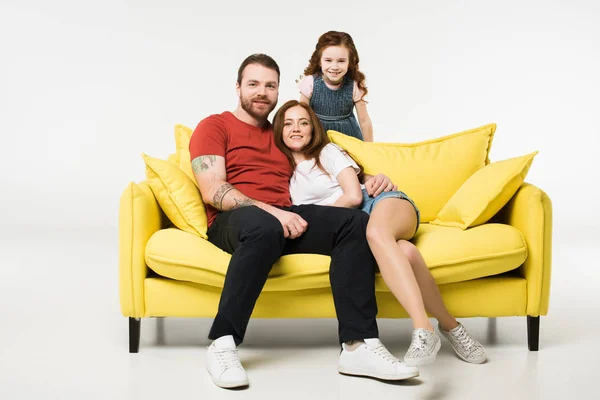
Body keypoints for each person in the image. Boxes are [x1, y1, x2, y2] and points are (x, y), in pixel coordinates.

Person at [189, 54, 419, 389]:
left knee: (352, 223)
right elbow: (213, 190)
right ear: (238, 87)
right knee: (264, 227)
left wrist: (369, 178)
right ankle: (223, 342)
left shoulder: (282, 131)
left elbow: (320, 159)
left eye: (270, 86)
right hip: (237, 219)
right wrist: (275, 212)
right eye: (253, 84)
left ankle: (357, 345)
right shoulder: (215, 125)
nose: (261, 92)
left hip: (288, 218)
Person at [273, 99, 487, 367]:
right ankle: (452, 327)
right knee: (406, 253)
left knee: (376, 232)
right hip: (359, 227)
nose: (296, 129)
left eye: (303, 122)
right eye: (288, 123)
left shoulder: (327, 152)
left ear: (313, 128)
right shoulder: (285, 174)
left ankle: (424, 329)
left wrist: (318, 218)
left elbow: (353, 197)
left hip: (380, 203)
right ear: (278, 130)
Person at [297, 31, 373, 141]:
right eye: (328, 60)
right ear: (319, 61)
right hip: (319, 137)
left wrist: (370, 148)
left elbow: (364, 120)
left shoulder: (354, 85)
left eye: (341, 61)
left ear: (349, 62)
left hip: (348, 138)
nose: (335, 67)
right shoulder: (310, 83)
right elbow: (301, 117)